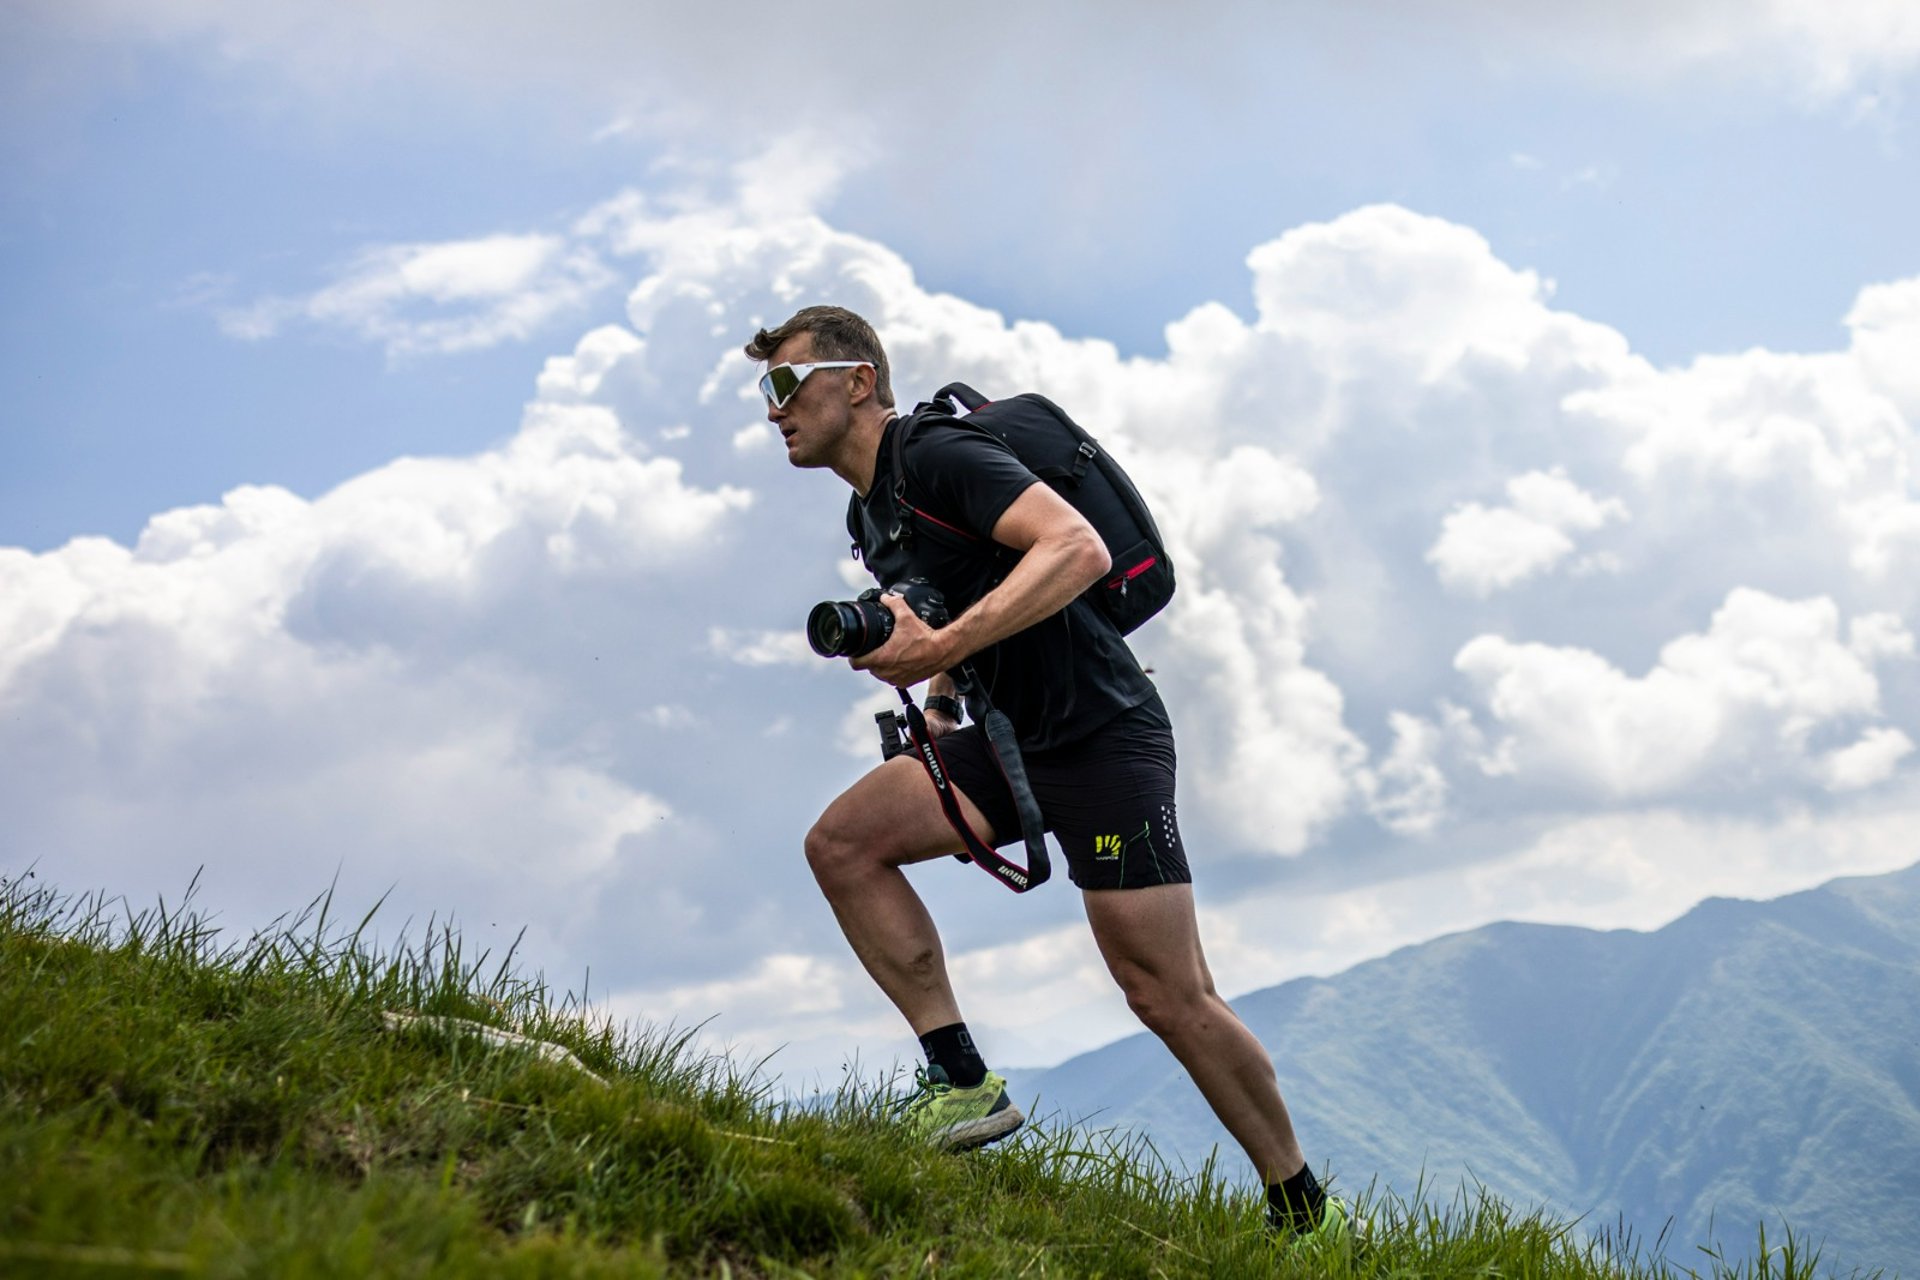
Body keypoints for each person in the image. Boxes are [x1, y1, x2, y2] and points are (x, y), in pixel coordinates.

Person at [744, 305, 1345, 1243]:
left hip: (1104, 736)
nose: (771, 408)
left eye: (785, 383)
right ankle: (960, 1081)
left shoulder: (938, 455)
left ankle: (1302, 1212)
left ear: (858, 382)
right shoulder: (872, 509)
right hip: (1011, 739)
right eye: (763, 391)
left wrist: (942, 642)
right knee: (845, 844)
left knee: (1167, 995)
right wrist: (941, 700)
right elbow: (960, 591)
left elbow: (1075, 547)